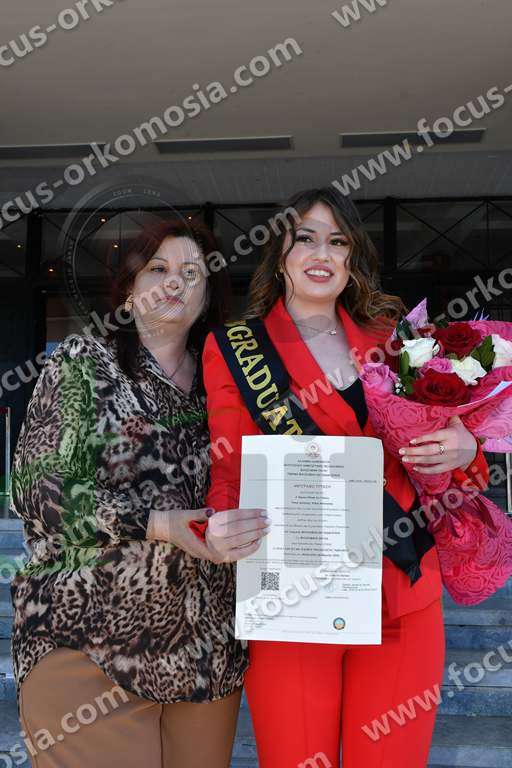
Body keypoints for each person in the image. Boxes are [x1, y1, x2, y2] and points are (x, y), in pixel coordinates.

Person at [201, 187, 489, 768]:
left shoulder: (395, 340)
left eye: (337, 242)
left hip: (400, 588)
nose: (321, 253)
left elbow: (454, 457)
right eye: (305, 238)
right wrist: (219, 523)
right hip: (294, 594)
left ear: (352, 258)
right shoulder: (234, 347)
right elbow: (229, 466)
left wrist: (465, 447)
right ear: (279, 254)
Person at [10, 217, 268, 768]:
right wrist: (160, 525)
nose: (175, 281)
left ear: (208, 296)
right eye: (158, 268)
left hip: (207, 660)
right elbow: (39, 488)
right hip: (87, 644)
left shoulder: (230, 384)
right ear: (130, 289)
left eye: (192, 273)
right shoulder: (83, 362)